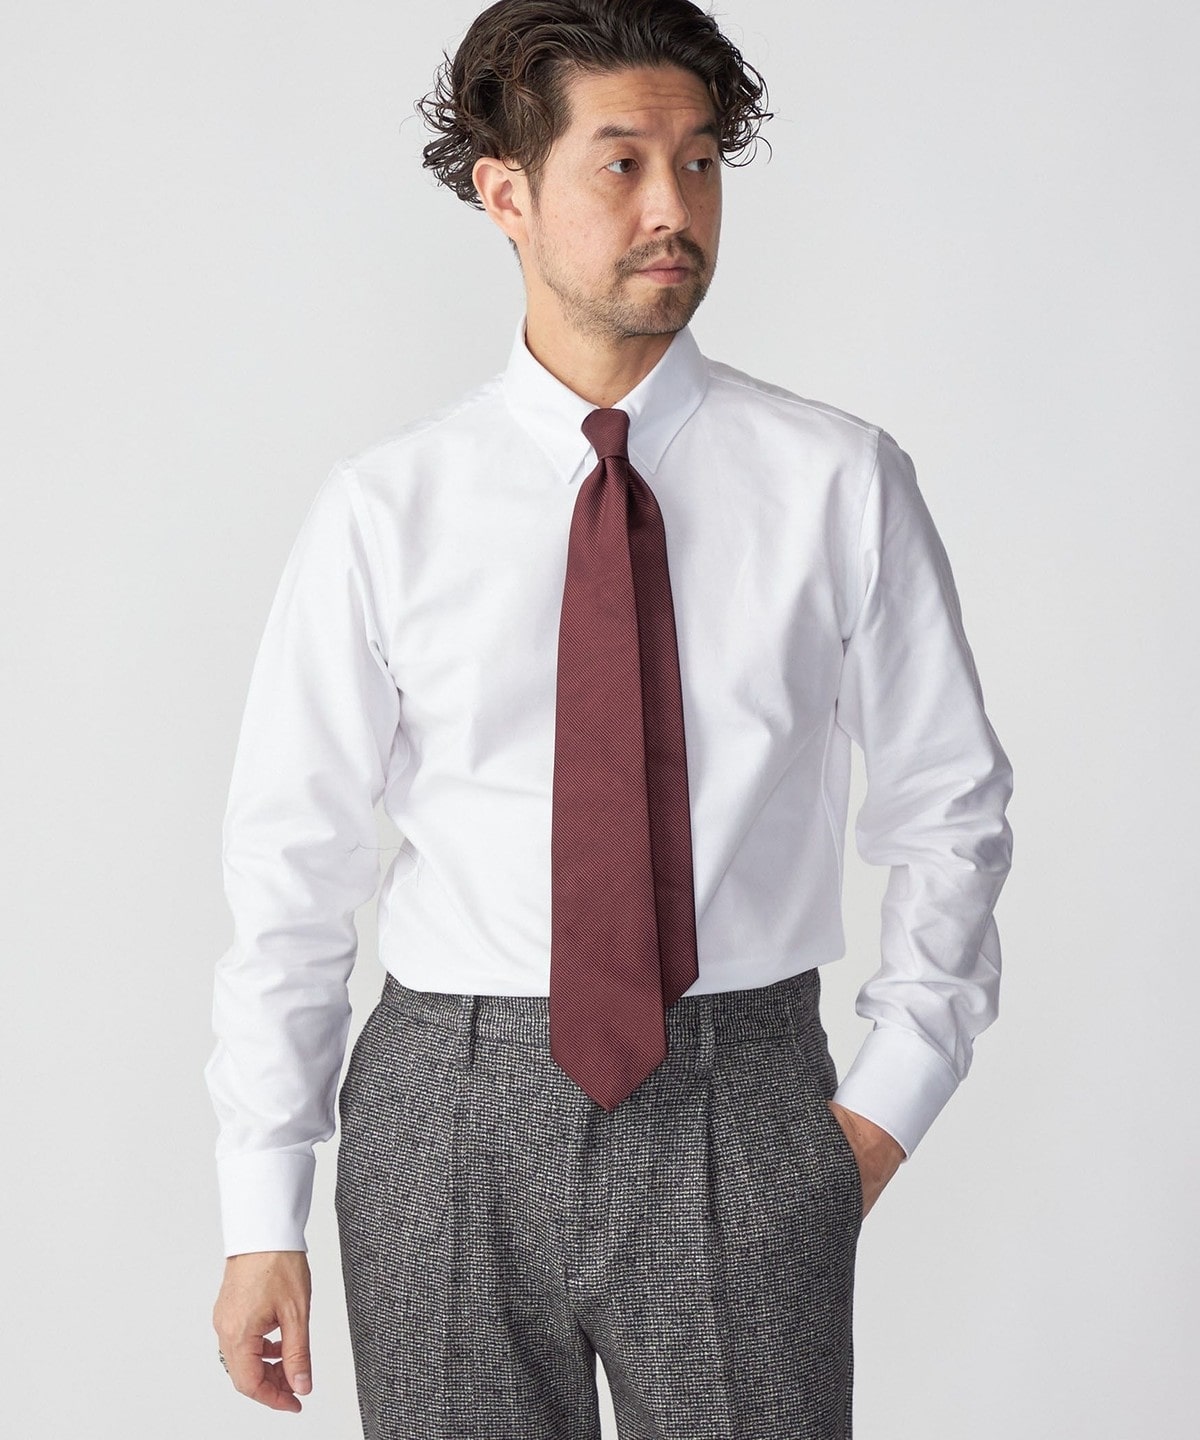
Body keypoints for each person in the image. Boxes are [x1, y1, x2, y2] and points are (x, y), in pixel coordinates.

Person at [205, 2, 1014, 1436]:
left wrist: (886, 1105)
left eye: (700, 163)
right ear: (505, 192)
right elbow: (293, 865)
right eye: (622, 162)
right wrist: (261, 1205)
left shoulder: (838, 482)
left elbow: (950, 809)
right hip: (445, 1108)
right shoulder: (386, 510)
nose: (673, 210)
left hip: (739, 1093)